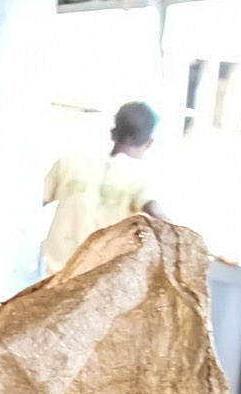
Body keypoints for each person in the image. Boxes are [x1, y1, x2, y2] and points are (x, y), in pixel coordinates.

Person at [41, 102, 159, 275]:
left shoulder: (69, 163)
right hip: (96, 281)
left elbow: (28, 205)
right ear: (149, 143)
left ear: (113, 133)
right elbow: (155, 211)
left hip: (51, 276)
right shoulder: (141, 181)